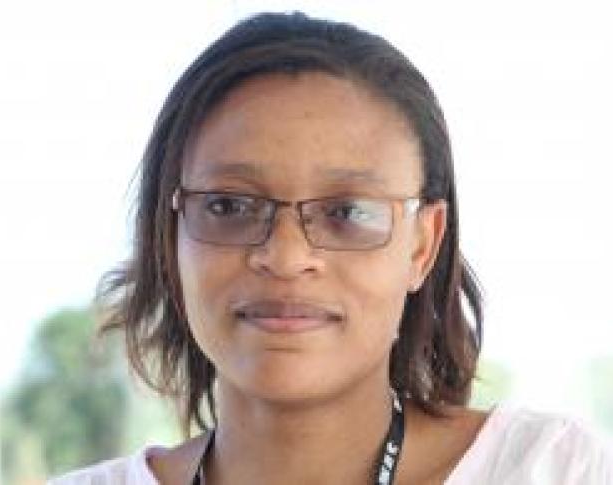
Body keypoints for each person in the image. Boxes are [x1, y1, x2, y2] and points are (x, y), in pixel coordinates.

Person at [49, 11, 613, 485]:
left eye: (347, 213)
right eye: (229, 206)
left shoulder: (553, 469)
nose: (286, 258)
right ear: (168, 236)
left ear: (422, 246)